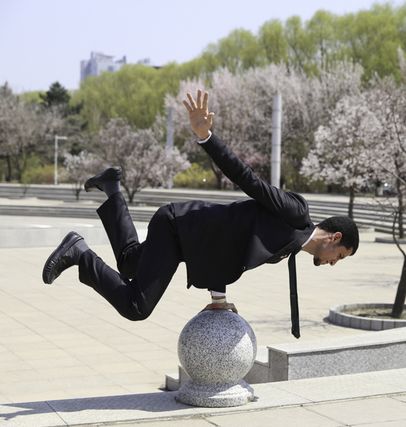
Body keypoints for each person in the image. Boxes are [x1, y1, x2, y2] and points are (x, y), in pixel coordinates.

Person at [42, 90, 359, 338]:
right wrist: (207, 138)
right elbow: (249, 180)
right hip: (178, 227)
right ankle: (79, 253)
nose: (334, 262)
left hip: (186, 235)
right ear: (335, 237)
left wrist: (219, 299)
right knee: (136, 306)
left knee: (127, 263)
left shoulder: (289, 245)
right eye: (340, 255)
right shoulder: (296, 214)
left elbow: (226, 246)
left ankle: (111, 187)